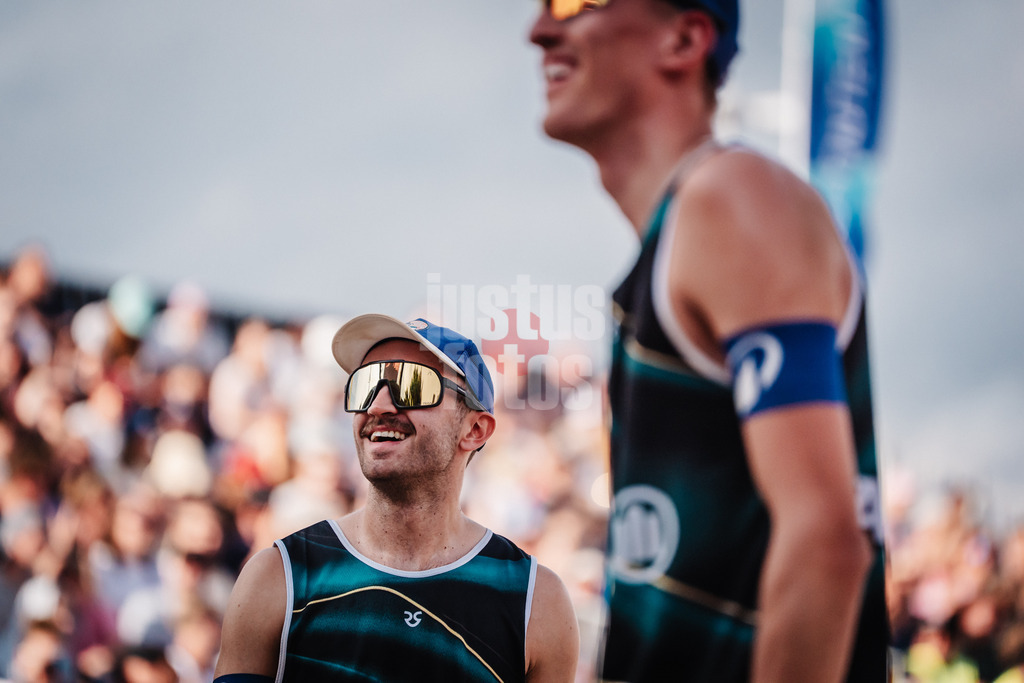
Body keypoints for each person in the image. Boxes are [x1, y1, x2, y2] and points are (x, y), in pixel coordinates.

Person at [529, 1, 889, 681]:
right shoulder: (684, 231)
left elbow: (826, 539)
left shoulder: (733, 196)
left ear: (685, 37)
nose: (540, 29)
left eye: (575, 2)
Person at [213, 314, 579, 682]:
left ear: (475, 429)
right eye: (366, 385)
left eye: (412, 385)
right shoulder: (279, 576)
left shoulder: (535, 601)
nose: (378, 405)